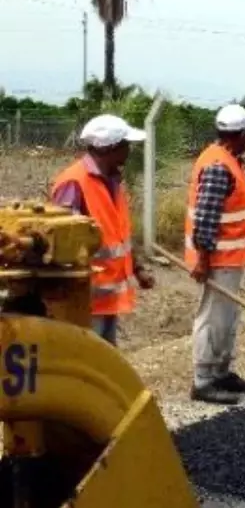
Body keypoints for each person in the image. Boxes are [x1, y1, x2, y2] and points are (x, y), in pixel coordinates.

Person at [49, 114, 155, 345]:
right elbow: (62, 247)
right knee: (85, 369)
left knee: (104, 368)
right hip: (83, 302)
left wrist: (137, 269)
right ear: (111, 147)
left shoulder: (112, 182)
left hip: (105, 299)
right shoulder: (74, 183)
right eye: (126, 145)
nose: (129, 150)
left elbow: (118, 234)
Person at [183, 104, 245, 405]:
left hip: (231, 258)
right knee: (213, 317)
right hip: (216, 260)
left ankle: (222, 371)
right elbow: (205, 218)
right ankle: (203, 380)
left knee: (227, 316)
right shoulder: (218, 166)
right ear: (240, 134)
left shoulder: (230, 160)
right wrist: (202, 259)